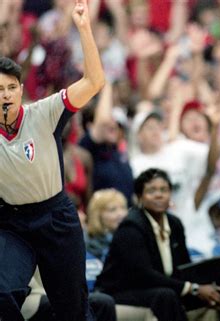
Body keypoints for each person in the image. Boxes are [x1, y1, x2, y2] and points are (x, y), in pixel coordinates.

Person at [0, 0, 105, 320]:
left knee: (72, 310)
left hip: (56, 219)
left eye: (12, 87)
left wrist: (84, 29)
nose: (6, 95)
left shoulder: (43, 112)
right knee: (2, 294)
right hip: (13, 223)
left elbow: (94, 83)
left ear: (20, 90)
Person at [95, 168, 220, 321]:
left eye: (164, 190)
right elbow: (143, 275)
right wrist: (192, 288)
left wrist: (203, 287)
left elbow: (184, 267)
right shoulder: (131, 226)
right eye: (151, 191)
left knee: (213, 298)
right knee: (166, 296)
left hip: (158, 289)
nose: (159, 194)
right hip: (121, 291)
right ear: (140, 197)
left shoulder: (174, 224)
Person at [86, 188, 128, 262]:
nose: (121, 214)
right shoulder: (87, 244)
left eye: (123, 208)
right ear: (98, 214)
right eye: (113, 209)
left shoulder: (129, 238)